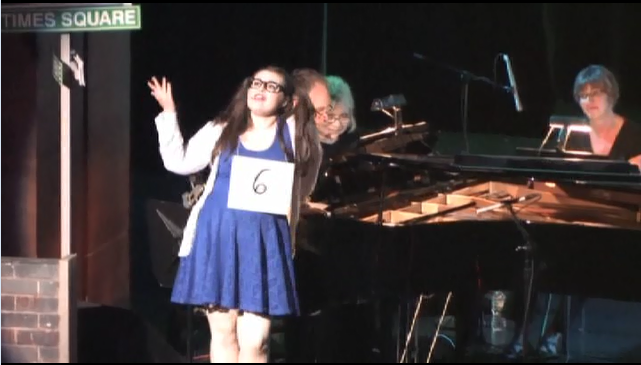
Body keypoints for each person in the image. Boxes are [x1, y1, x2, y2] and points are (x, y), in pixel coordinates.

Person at [147, 65, 322, 363]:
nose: (260, 90)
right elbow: (180, 161)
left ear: (286, 100)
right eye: (256, 83)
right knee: (224, 334)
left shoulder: (294, 136)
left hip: (263, 244)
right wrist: (169, 113)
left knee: (256, 342)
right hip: (218, 239)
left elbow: (303, 184)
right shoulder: (224, 127)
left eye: (271, 86)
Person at [573, 64, 641, 169]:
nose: (589, 100)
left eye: (595, 93)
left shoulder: (635, 135)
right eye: (583, 95)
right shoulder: (573, 134)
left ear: (610, 95)